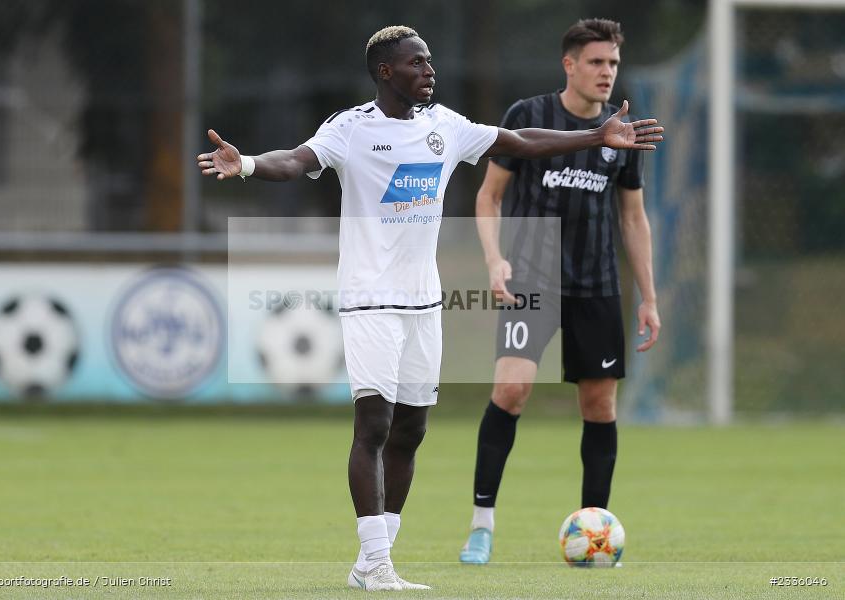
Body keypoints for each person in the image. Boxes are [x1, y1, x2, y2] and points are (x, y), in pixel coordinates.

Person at [197, 25, 662, 591]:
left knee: (412, 428)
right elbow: (295, 161)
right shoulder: (351, 128)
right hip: (370, 298)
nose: (429, 71)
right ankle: (374, 563)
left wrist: (594, 137)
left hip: (424, 301)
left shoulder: (446, 126)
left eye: (431, 62)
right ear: (385, 73)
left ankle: (375, 559)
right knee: (374, 423)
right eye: (416, 64)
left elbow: (518, 143)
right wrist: (244, 164)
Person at [459, 18, 662, 565]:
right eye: (596, 62)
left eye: (613, 64)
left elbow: (633, 218)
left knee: (598, 405)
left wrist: (648, 296)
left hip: (595, 284)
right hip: (530, 275)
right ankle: (481, 526)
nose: (607, 73)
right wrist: (494, 258)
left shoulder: (624, 131)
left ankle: (595, 530)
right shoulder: (527, 118)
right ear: (569, 64)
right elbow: (489, 197)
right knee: (512, 389)